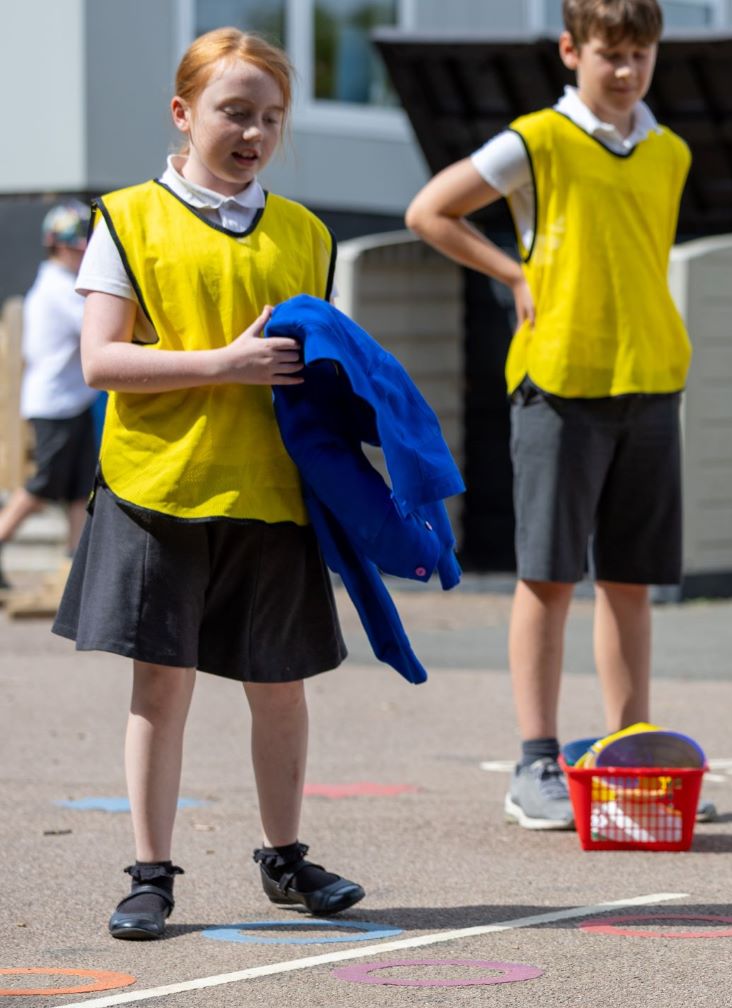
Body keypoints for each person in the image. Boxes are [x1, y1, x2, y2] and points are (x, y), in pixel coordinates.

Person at [62, 27, 364, 941]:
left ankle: (285, 857)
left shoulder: (308, 233)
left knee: (282, 683)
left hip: (272, 492)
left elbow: (322, 366)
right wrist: (223, 364)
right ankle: (150, 874)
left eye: (271, 117)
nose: (254, 133)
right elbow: (100, 361)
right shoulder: (127, 218)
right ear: (183, 112)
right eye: (234, 112)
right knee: (162, 686)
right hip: (159, 490)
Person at [406, 0, 690, 832]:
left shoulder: (670, 151)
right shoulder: (536, 139)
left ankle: (629, 751)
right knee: (549, 576)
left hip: (650, 380)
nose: (626, 70)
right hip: (558, 381)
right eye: (610, 53)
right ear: (572, 50)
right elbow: (430, 211)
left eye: (640, 54)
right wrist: (513, 273)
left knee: (631, 581)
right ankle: (533, 763)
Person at [0, 202, 101, 588]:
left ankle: (74, 563)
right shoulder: (59, 289)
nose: (83, 256)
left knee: (80, 487)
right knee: (44, 484)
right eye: (77, 249)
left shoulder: (60, 286)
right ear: (59, 246)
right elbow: (94, 328)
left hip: (72, 401)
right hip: (55, 404)